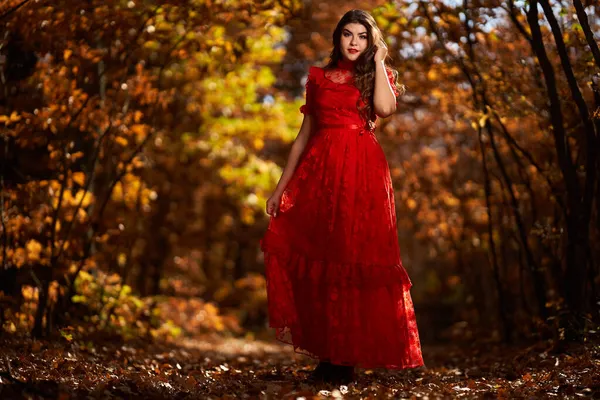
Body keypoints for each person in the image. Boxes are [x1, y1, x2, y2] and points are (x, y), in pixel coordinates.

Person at [259, 9, 424, 384]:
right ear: (337, 38)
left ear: (371, 41)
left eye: (362, 36)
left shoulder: (375, 75)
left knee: (355, 256)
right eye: (347, 34)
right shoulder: (317, 77)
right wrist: (280, 187)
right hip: (319, 173)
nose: (353, 42)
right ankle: (329, 353)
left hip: (363, 172)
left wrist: (380, 61)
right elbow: (303, 136)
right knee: (324, 255)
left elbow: (385, 109)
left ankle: (345, 357)